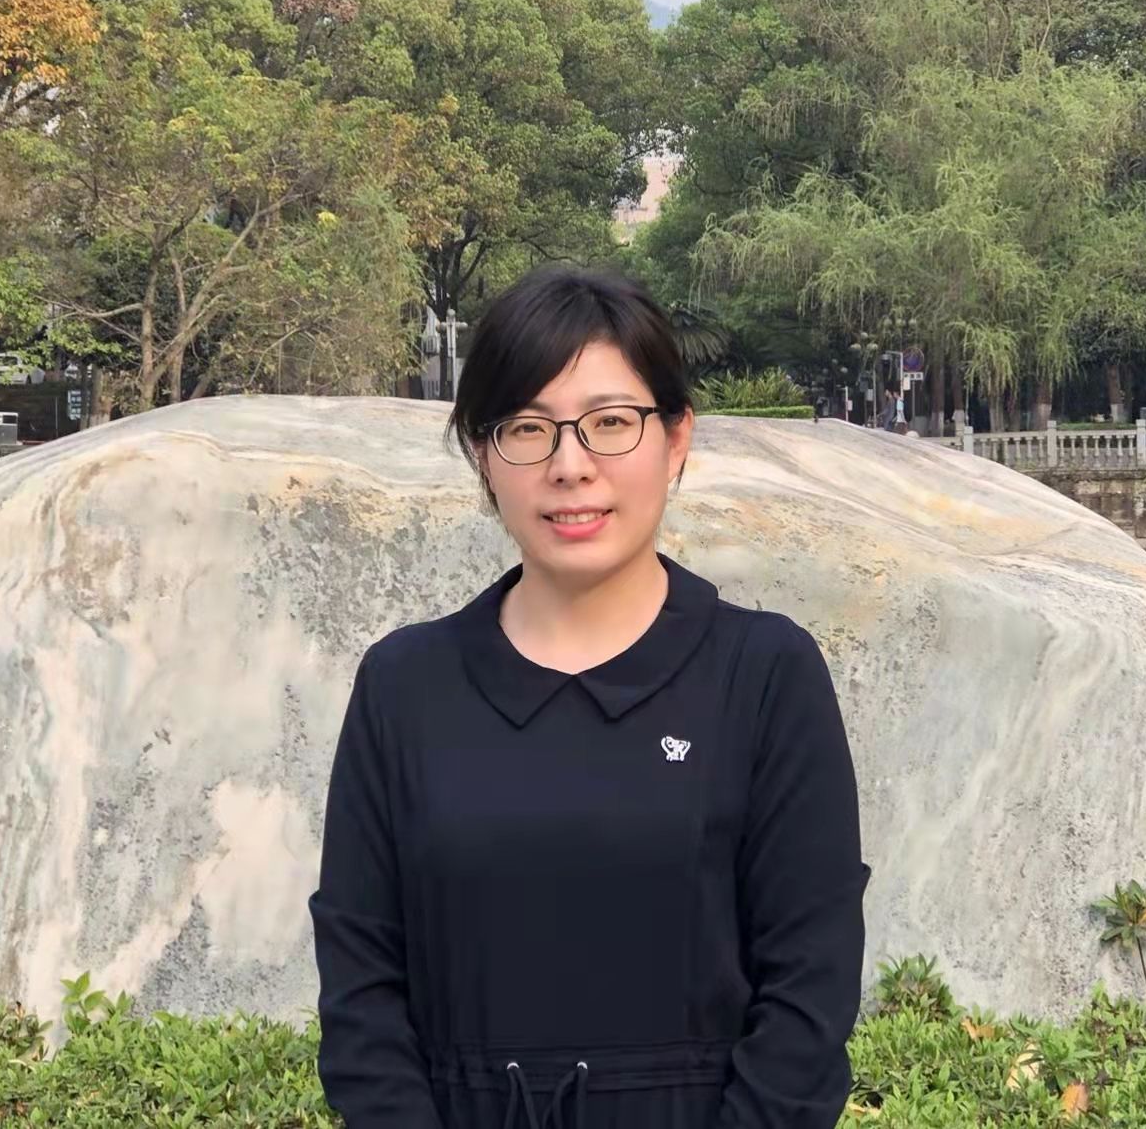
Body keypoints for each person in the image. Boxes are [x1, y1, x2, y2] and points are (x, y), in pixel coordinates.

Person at [310, 264, 870, 1129]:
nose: (570, 466)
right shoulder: (403, 687)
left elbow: (809, 994)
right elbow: (361, 993)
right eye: (527, 429)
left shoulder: (764, 676)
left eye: (611, 423)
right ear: (482, 456)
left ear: (676, 440)